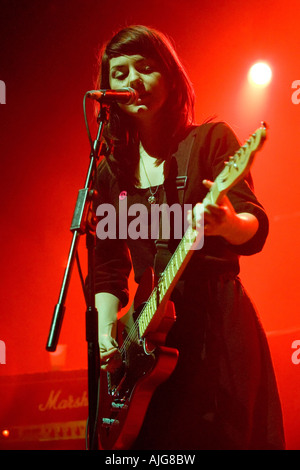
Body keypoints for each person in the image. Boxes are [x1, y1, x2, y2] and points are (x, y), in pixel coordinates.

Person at [93, 25, 285, 450]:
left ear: (171, 78)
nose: (133, 82)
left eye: (146, 69)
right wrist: (109, 332)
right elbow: (107, 267)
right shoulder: (110, 172)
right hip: (147, 342)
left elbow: (254, 224)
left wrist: (227, 224)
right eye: (120, 73)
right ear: (107, 89)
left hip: (217, 324)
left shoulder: (210, 142)